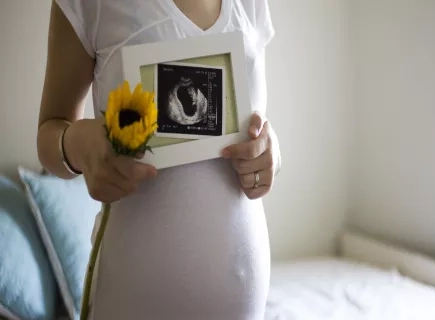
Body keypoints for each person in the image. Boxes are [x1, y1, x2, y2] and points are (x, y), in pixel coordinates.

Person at [37, 0, 281, 319]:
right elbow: (49, 133)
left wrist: (270, 152)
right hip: (132, 297)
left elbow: (254, 121)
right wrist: (79, 144)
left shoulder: (250, 4)